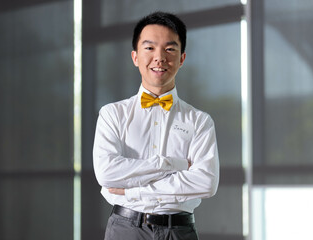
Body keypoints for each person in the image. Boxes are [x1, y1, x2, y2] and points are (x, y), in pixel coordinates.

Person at [93, 11, 219, 240]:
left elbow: (206, 182)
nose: (159, 57)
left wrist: (135, 190)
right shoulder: (112, 114)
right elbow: (107, 173)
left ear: (181, 58)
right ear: (135, 57)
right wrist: (174, 165)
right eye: (149, 48)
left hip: (179, 230)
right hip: (125, 229)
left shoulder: (200, 121)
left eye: (169, 49)